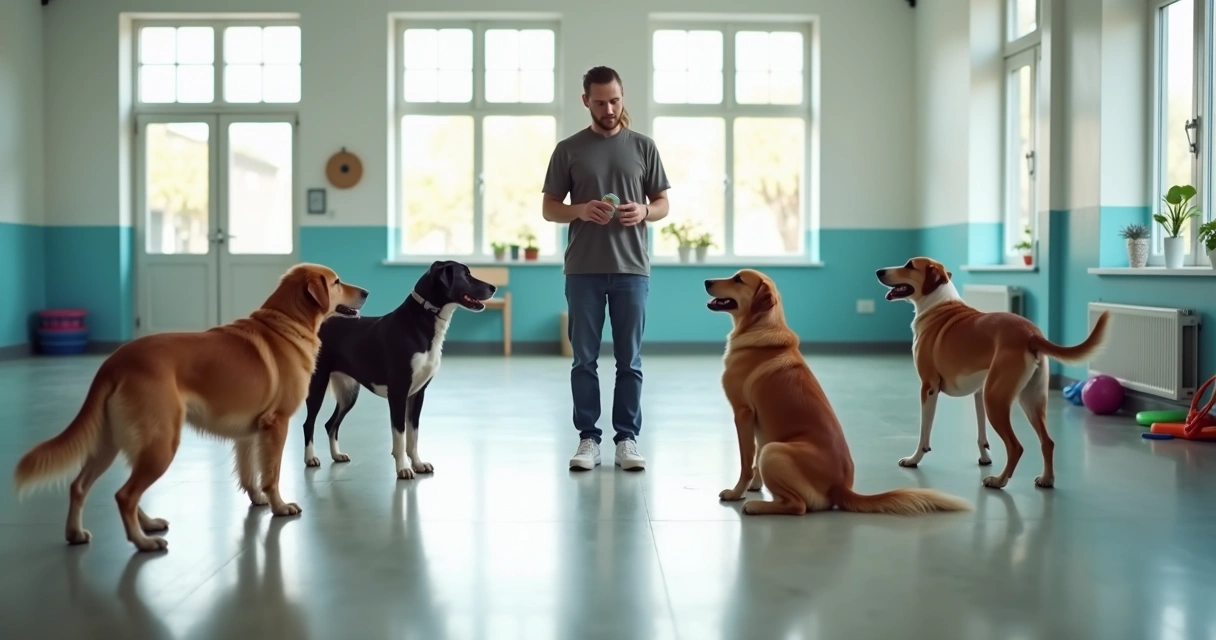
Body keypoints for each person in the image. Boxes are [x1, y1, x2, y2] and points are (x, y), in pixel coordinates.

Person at [541, 65, 671, 472]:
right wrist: (580, 209)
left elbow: (664, 204)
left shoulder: (644, 147)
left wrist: (646, 211)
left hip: (633, 269)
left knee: (629, 360)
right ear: (586, 102)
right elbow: (549, 209)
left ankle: (627, 440)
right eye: (600, 102)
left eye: (615, 100)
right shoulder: (568, 149)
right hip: (583, 270)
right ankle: (587, 440)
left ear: (622, 96)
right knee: (584, 360)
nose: (609, 108)